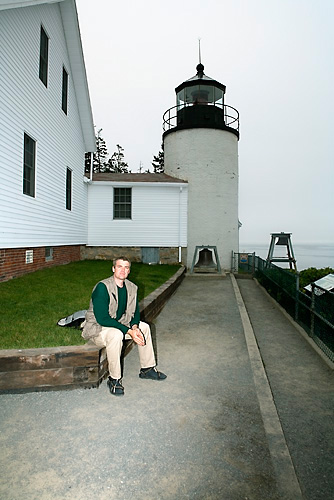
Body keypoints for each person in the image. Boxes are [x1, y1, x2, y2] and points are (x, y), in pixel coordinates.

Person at [82, 257, 166, 396]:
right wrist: (128, 331)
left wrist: (134, 328)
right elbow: (102, 318)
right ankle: (114, 379)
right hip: (98, 327)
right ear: (113, 269)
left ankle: (147, 369)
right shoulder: (102, 287)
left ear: (129, 271)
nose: (123, 270)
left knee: (143, 327)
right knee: (116, 335)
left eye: (126, 267)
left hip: (119, 323)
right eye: (120, 267)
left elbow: (134, 313)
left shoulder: (132, 287)